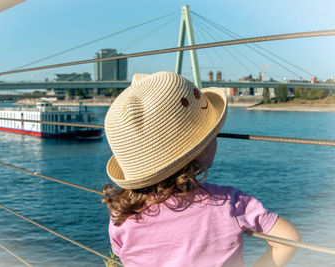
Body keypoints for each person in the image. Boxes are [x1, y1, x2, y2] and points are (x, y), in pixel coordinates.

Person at [103, 71, 300, 267]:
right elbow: (288, 239)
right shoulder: (230, 203)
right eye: (213, 133)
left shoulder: (121, 218)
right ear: (198, 149)